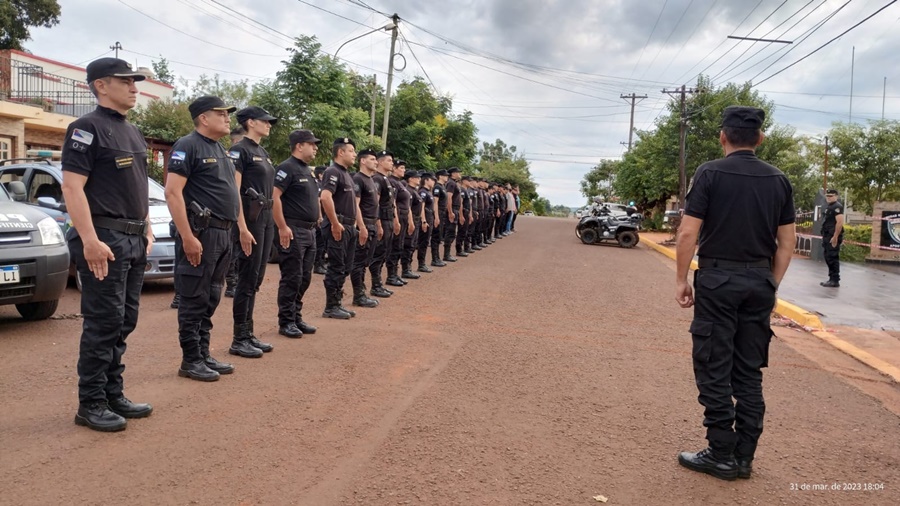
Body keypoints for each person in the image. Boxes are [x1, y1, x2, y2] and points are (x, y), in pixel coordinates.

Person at [675, 106, 796, 481]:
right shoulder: (779, 180)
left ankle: (720, 453)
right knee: (748, 371)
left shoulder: (710, 173)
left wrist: (681, 279)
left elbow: (687, 233)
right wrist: (771, 284)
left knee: (714, 366)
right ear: (760, 138)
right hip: (759, 282)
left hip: (718, 281)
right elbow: (787, 243)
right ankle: (744, 457)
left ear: (722, 137)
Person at [62, 57, 154, 432]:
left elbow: (138, 187)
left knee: (124, 320)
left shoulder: (132, 131)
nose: (134, 87)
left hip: (133, 237)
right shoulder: (86, 128)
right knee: (103, 322)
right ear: (101, 85)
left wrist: (147, 229)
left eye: (135, 82)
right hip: (105, 238)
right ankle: (91, 403)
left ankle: (113, 393)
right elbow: (72, 187)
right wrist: (89, 240)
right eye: (125, 81)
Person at [165, 95, 239, 383]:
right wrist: (187, 236)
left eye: (228, 114)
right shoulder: (188, 145)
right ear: (204, 118)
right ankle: (191, 359)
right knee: (194, 297)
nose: (228, 118)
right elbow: (173, 193)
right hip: (201, 233)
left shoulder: (219, 148)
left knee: (211, 296)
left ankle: (203, 353)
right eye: (221, 113)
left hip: (223, 233)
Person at [229, 106, 278, 358]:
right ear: (250, 122)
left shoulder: (262, 152)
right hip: (250, 218)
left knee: (256, 278)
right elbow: (234, 191)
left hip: (266, 217)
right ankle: (239, 338)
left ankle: (248, 333)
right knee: (247, 278)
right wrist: (242, 227)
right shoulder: (240, 150)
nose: (269, 124)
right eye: (264, 121)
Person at [273, 129, 323, 338]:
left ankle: (296, 316)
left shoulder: (307, 170)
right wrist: (282, 227)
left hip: (309, 231)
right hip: (293, 230)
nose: (315, 148)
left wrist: (317, 216)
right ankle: (286, 321)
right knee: (292, 277)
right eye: (311, 144)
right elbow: (275, 197)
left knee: (305, 277)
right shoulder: (287, 167)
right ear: (299, 146)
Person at [320, 138, 362, 319]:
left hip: (348, 227)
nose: (354, 154)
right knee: (336, 267)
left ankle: (337, 302)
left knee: (346, 267)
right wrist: (335, 223)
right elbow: (325, 197)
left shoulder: (347, 174)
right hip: (338, 226)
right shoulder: (333, 171)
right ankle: (331, 307)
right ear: (340, 152)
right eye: (351, 151)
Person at [349, 148, 381, 308]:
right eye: (372, 159)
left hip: (372, 224)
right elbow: (355, 205)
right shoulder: (358, 179)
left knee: (365, 261)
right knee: (358, 262)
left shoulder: (371, 180)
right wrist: (361, 227)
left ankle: (362, 292)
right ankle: (358, 295)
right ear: (362, 161)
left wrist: (377, 225)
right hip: (365, 224)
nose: (376, 162)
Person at [369, 150, 400, 298]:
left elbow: (391, 203)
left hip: (389, 219)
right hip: (382, 220)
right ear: (380, 162)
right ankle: (375, 285)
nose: (391, 163)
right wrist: (379, 224)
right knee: (378, 253)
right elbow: (375, 203)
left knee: (384, 253)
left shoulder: (385, 179)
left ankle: (379, 284)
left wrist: (395, 220)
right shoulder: (377, 179)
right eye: (389, 160)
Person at [223, 126, 247, 300]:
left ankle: (235, 281)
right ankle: (231, 283)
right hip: (231, 210)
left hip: (245, 210)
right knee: (232, 248)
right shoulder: (231, 157)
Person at [387, 159, 414, 286]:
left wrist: (410, 220)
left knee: (400, 246)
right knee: (394, 247)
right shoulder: (392, 182)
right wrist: (396, 220)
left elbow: (407, 204)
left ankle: (395, 274)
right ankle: (391, 276)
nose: (404, 170)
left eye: (404, 168)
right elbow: (393, 202)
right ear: (394, 169)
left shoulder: (401, 183)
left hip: (404, 217)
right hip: (398, 216)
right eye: (401, 168)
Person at [401, 170, 424, 279]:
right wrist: (410, 222)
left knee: (413, 245)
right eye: (417, 177)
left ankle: (408, 268)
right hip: (411, 219)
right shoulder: (409, 191)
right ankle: (405, 269)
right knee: (408, 245)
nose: (419, 179)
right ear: (410, 179)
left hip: (416, 219)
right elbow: (408, 208)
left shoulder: (414, 190)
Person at [820, 189, 844, 287]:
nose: (828, 198)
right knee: (828, 257)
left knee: (832, 257)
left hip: (832, 236)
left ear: (836, 196)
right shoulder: (829, 207)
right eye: (827, 196)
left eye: (831, 196)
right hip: (827, 235)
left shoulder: (837, 207)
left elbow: (839, 222)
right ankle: (831, 279)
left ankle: (835, 280)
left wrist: (835, 237)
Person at [416, 172, 438, 272]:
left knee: (425, 241)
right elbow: (422, 207)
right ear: (426, 180)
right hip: (425, 219)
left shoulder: (429, 192)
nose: (434, 182)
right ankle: (421, 264)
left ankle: (422, 263)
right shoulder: (423, 192)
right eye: (432, 180)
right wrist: (423, 221)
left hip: (430, 218)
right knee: (423, 242)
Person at [430, 169, 449, 267]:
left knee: (438, 236)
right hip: (438, 213)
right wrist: (436, 216)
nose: (447, 177)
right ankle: (435, 259)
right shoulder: (437, 187)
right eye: (445, 175)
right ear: (440, 176)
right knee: (435, 236)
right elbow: (435, 202)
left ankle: (437, 258)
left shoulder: (443, 187)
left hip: (442, 213)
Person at [313, 165, 328, 275]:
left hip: (324, 217)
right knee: (319, 243)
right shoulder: (318, 184)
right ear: (320, 175)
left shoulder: (323, 185)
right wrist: (320, 216)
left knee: (323, 243)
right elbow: (318, 201)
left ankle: (321, 263)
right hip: (320, 218)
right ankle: (317, 265)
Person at [443, 167, 461, 262]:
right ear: (453, 174)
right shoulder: (451, 183)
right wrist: (450, 212)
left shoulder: (453, 183)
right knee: (450, 232)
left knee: (452, 232)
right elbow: (449, 198)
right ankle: (446, 254)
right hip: (453, 209)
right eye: (458, 172)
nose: (459, 174)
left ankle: (448, 254)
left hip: (455, 209)